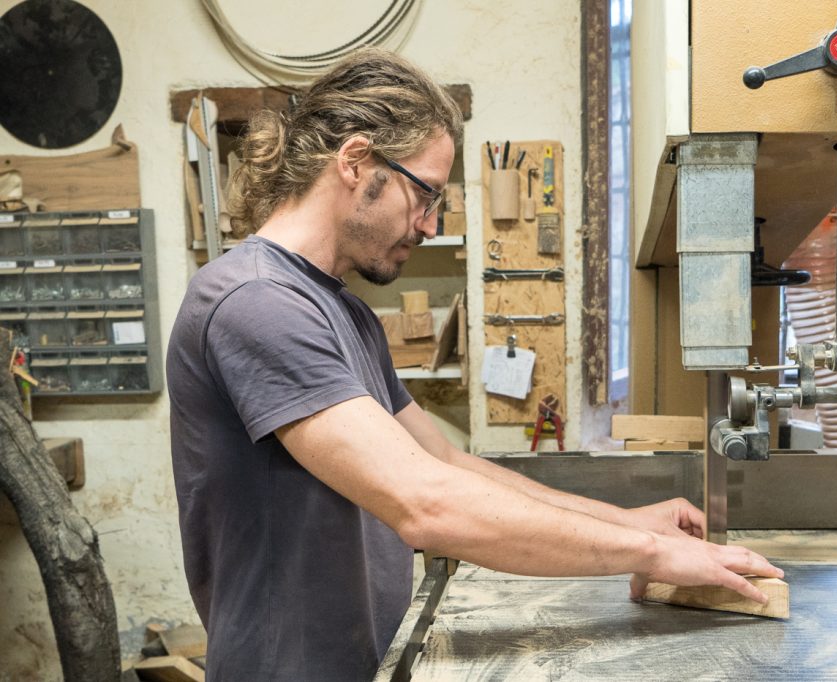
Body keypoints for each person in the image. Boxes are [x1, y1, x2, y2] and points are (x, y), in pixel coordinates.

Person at [166, 47, 782, 681]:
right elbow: (426, 504)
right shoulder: (256, 303)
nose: (430, 225)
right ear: (355, 161)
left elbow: (444, 464)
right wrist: (650, 553)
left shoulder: (338, 310)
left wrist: (622, 521)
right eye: (424, 194)